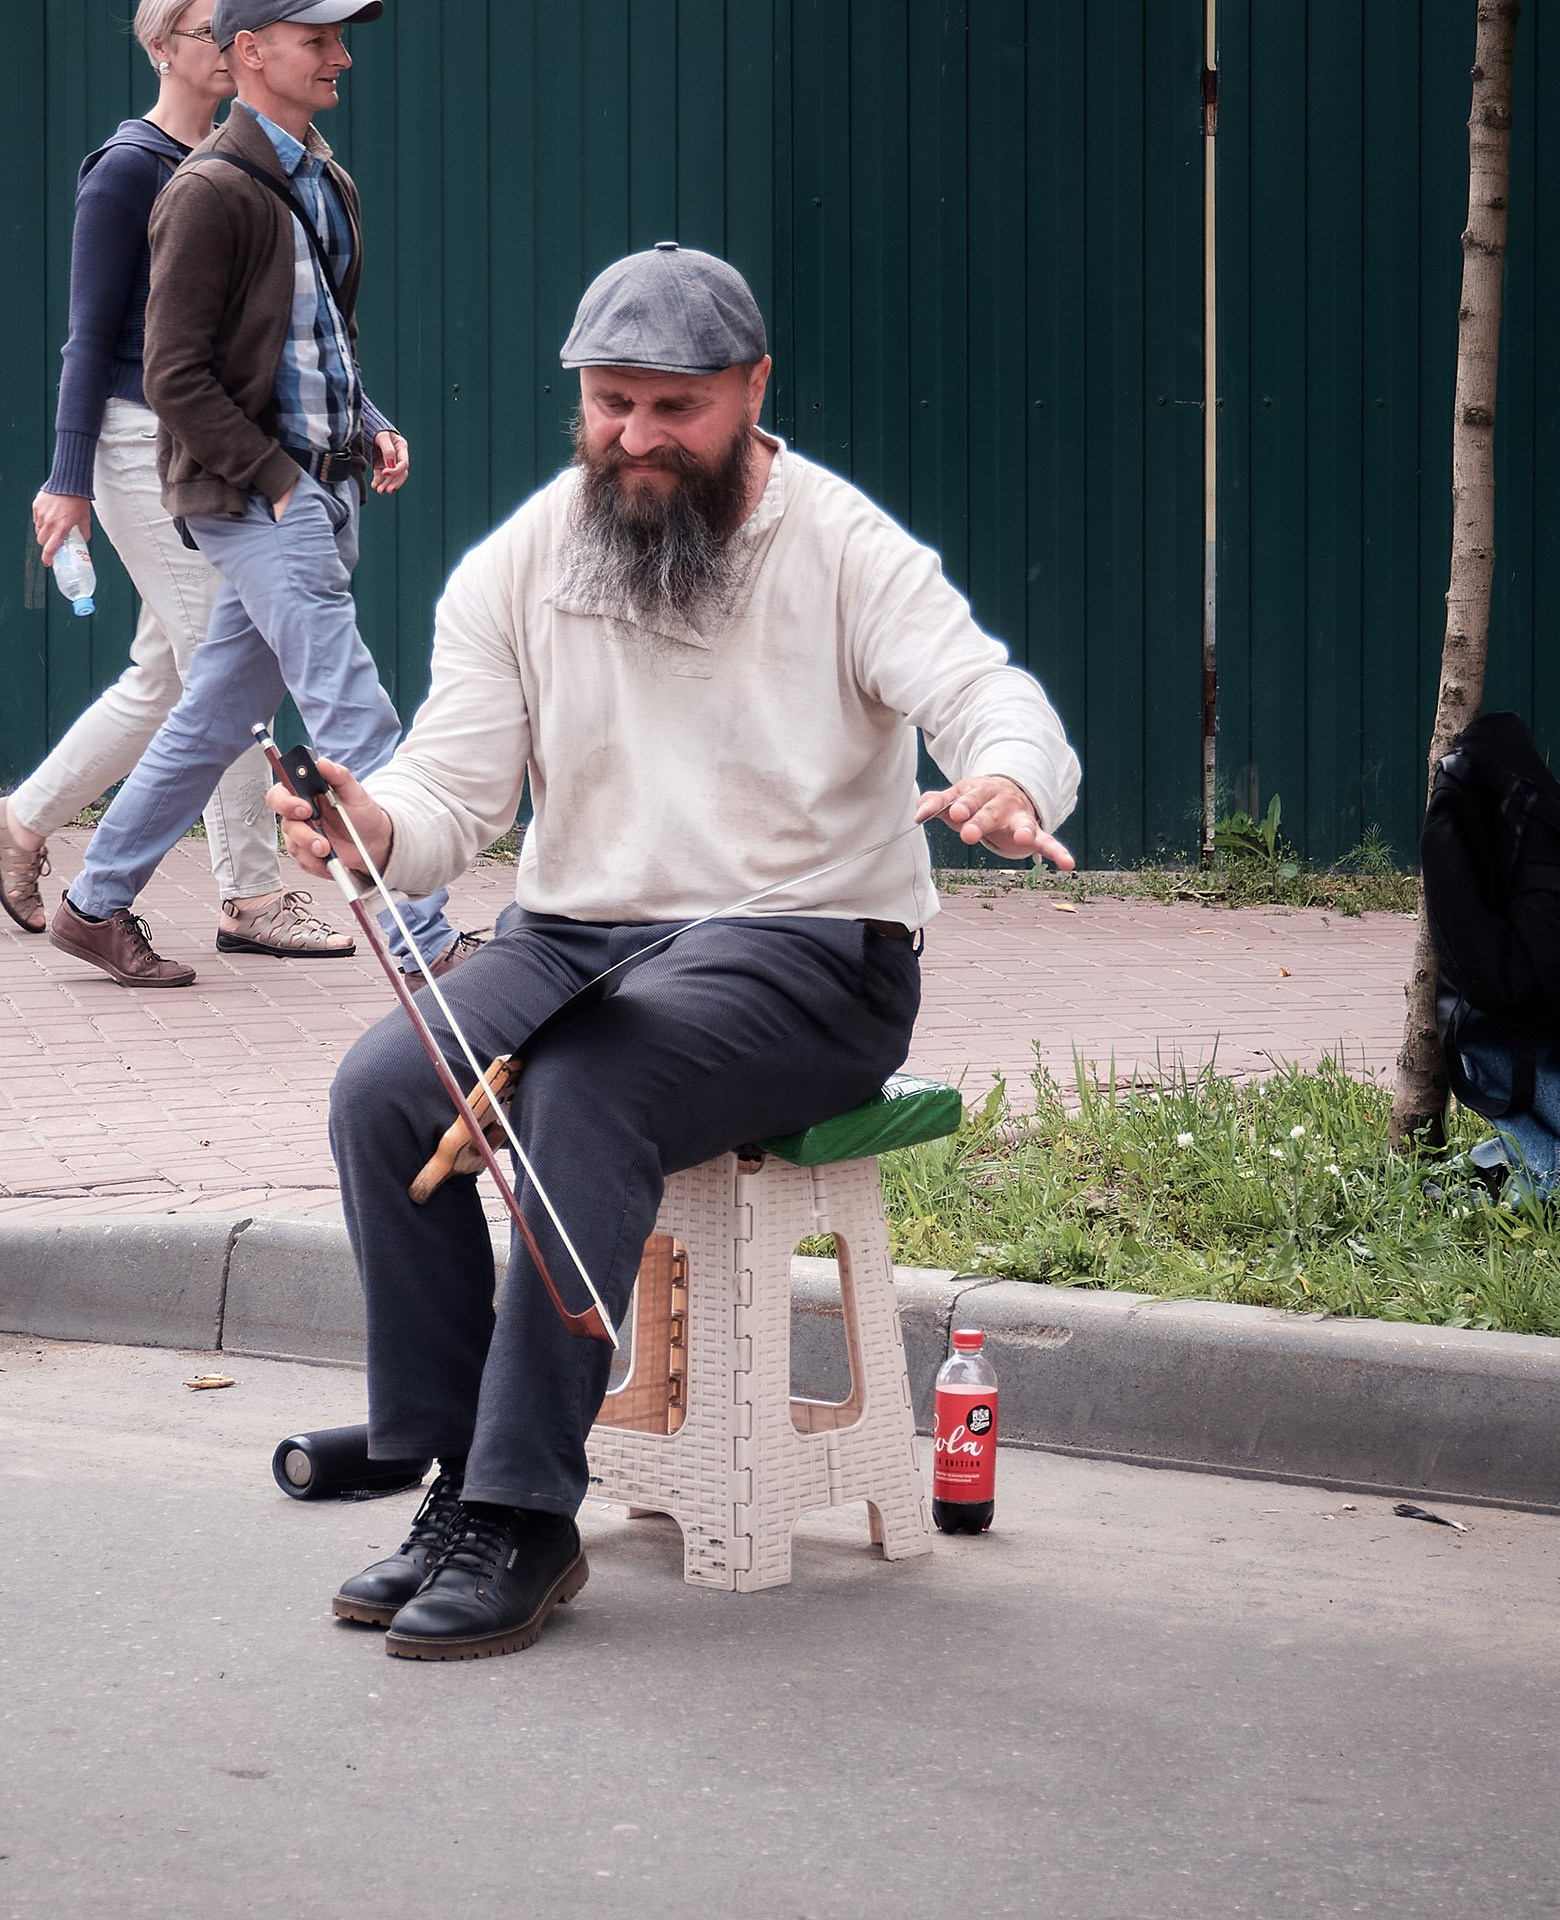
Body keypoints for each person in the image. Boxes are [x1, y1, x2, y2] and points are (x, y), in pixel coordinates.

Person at [273, 244, 1083, 1659]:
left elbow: (987, 692)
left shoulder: (843, 546)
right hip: (580, 928)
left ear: (751, 392)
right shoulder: (522, 558)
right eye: (609, 405)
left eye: (673, 408)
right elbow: (449, 803)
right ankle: (456, 1466)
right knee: (384, 1088)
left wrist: (1011, 780)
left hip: (808, 949)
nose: (637, 439)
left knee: (587, 1085)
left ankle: (524, 1516)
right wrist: (364, 824)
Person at [44, 0, 474, 989]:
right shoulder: (204, 191)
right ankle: (429, 944)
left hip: (315, 491)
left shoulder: (324, 180)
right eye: (317, 40)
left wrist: (368, 423)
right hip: (252, 500)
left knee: (209, 718)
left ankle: (92, 903)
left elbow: (318, 344)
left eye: (338, 38)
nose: (341, 57)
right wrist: (278, 482)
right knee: (350, 709)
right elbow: (172, 375)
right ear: (249, 51)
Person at [0, 0, 350, 965]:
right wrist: (66, 478)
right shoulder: (127, 169)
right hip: (139, 440)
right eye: (206, 36)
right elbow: (90, 337)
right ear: (164, 50)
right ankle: (249, 895)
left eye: (232, 34)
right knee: (232, 662)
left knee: (168, 672)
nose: (223, 52)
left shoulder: (243, 165)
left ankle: (21, 819)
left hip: (206, 443)